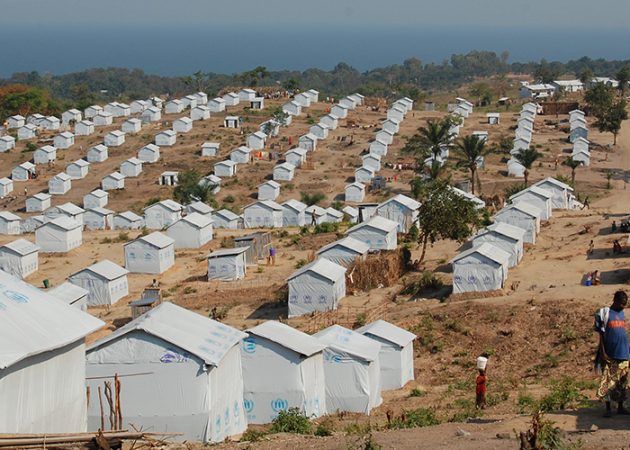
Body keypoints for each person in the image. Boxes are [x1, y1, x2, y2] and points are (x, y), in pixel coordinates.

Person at [595, 290, 630, 417]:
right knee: (607, 381)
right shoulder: (605, 313)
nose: (623, 306)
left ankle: (620, 407)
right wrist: (603, 353)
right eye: (621, 304)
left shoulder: (621, 314)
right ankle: (608, 408)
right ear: (615, 301)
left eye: (625, 304)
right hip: (610, 354)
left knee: (622, 381)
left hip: (624, 352)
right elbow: (601, 336)